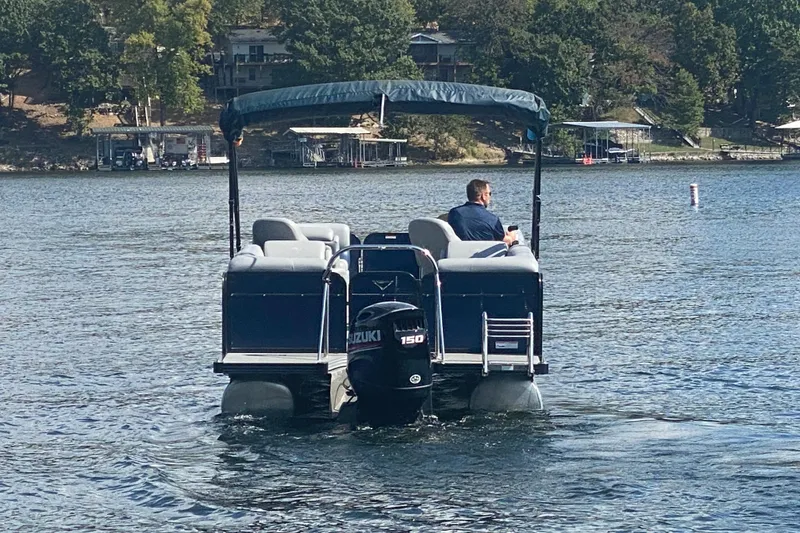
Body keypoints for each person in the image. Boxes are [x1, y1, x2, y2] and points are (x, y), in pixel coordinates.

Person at [447, 179, 516, 246]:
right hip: (487, 256)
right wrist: (511, 237)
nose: (490, 197)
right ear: (484, 196)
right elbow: (503, 241)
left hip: (459, 254)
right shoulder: (493, 219)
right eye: (489, 194)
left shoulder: (454, 213)